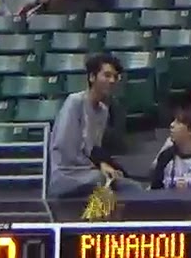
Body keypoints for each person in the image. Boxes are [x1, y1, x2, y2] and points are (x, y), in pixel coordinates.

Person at [48, 53, 137, 198]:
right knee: (102, 179)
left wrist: (104, 165)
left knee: (131, 186)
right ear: (92, 77)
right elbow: (66, 150)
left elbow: (93, 150)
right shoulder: (74, 102)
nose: (112, 80)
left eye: (115, 77)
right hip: (67, 174)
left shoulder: (103, 111)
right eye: (107, 75)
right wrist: (98, 167)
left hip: (89, 171)